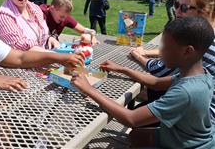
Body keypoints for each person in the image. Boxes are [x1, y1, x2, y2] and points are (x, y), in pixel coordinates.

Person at [72, 16, 215, 148]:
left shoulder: (186, 92)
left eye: (165, 47)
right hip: (182, 134)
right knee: (135, 135)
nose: (161, 51)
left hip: (190, 145)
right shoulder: (197, 73)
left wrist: (89, 89)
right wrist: (121, 69)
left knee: (133, 133)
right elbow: (156, 82)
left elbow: (131, 118)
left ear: (187, 51)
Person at [130, 0, 215, 124]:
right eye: (176, 5)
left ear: (203, 12)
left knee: (137, 116)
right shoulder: (207, 33)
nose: (176, 11)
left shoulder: (201, 40)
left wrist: (138, 55)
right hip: (199, 104)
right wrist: (147, 51)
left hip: (203, 119)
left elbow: (159, 71)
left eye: (184, 8)